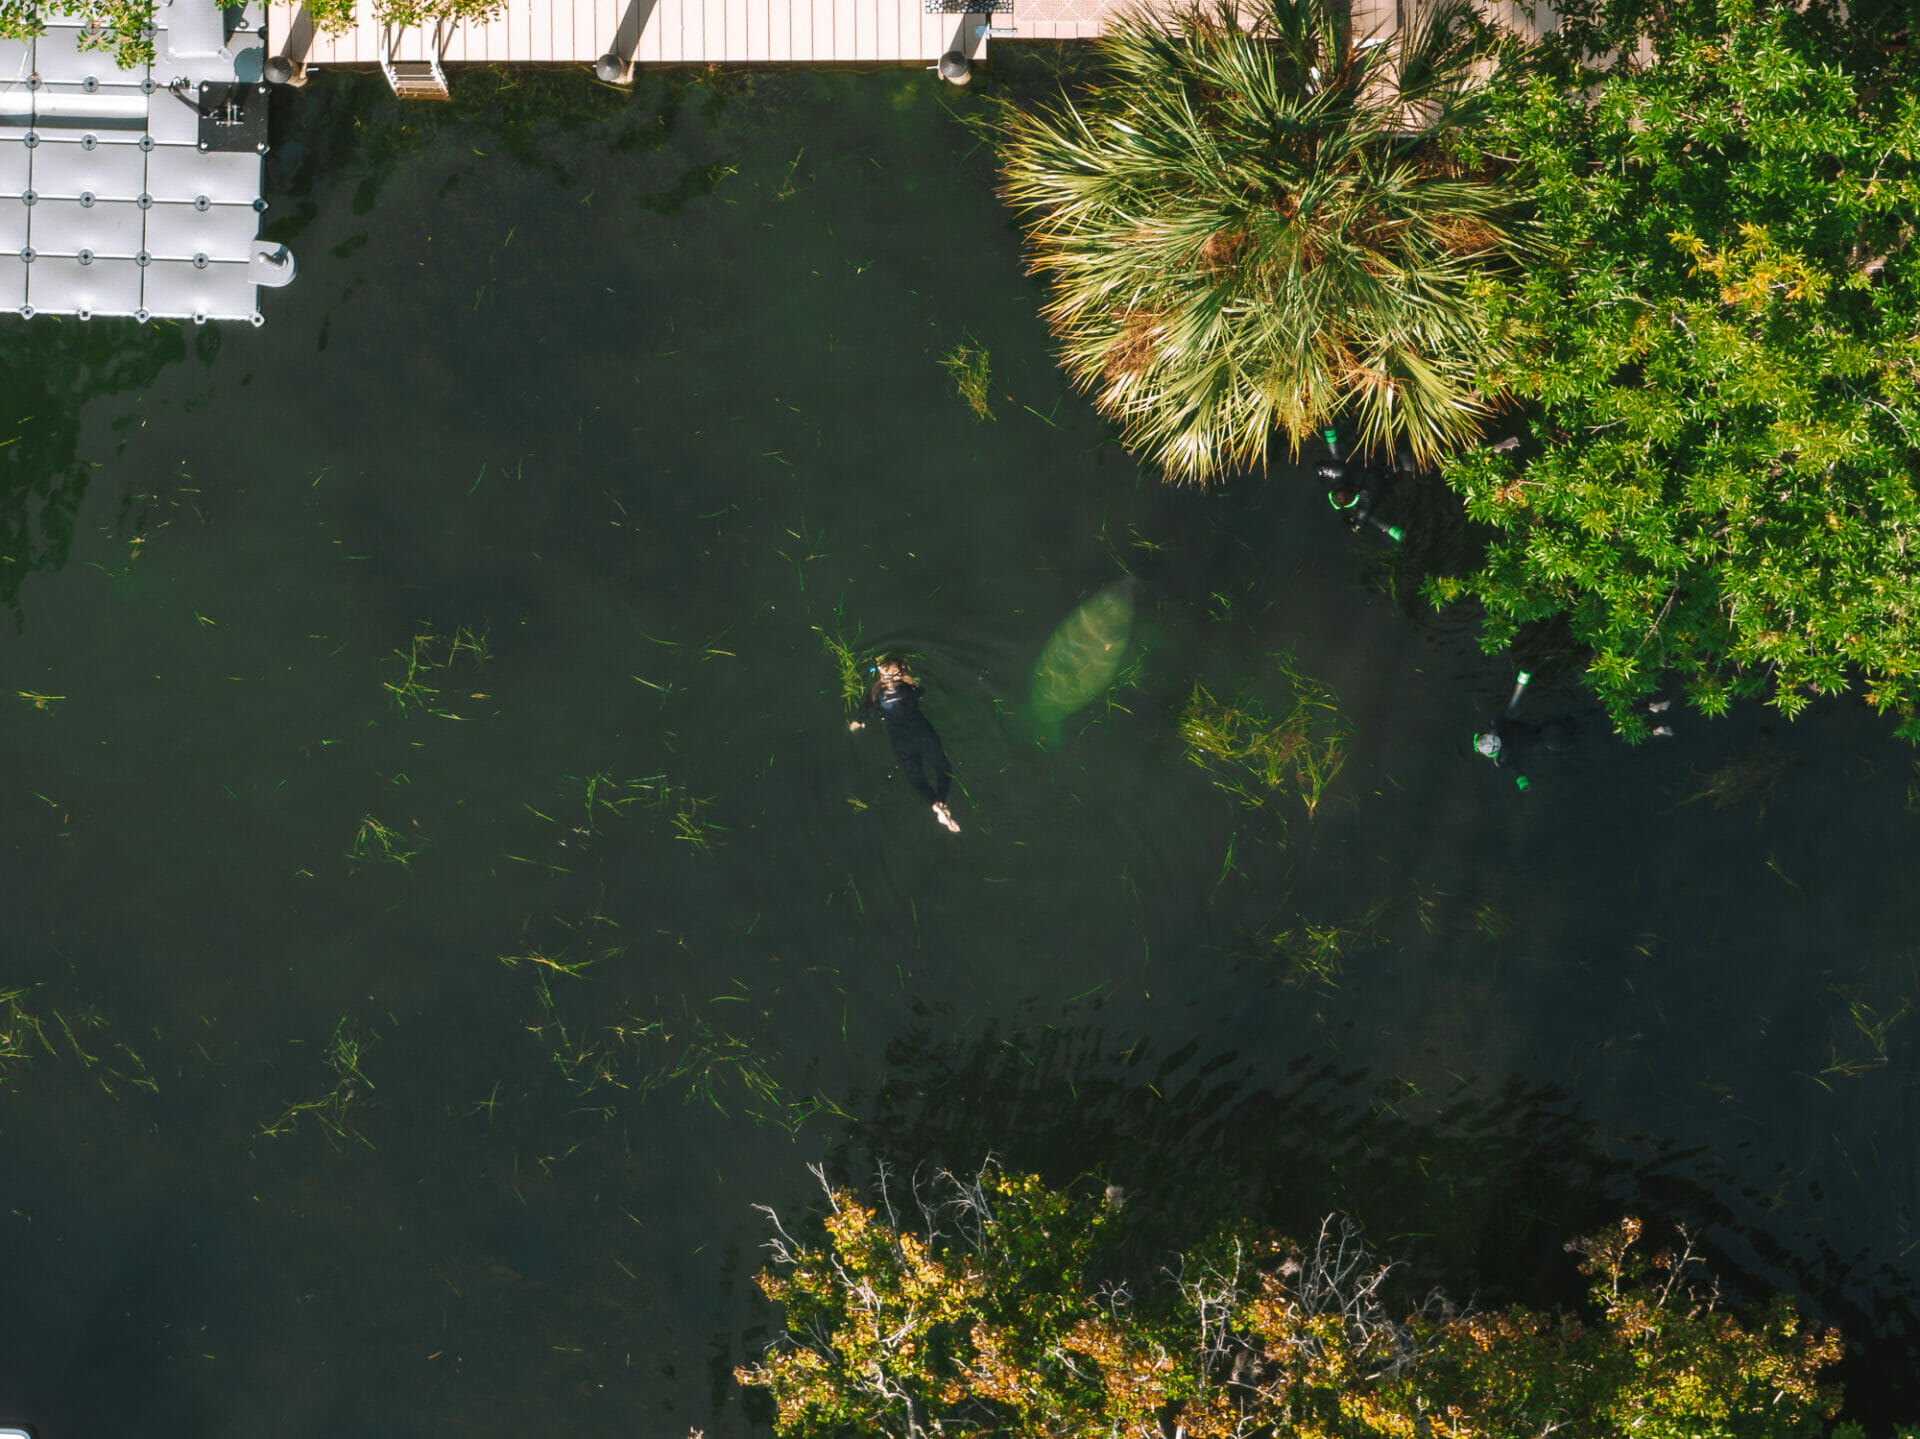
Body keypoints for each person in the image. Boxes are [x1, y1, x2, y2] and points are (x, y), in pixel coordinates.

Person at [849, 656, 961, 833]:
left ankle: (933, 805)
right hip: (923, 734)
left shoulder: (874, 692)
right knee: (944, 769)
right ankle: (941, 800)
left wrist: (858, 723)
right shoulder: (909, 685)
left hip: (901, 743)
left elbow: (860, 718)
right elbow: (921, 690)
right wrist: (911, 681)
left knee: (917, 780)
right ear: (900, 674)